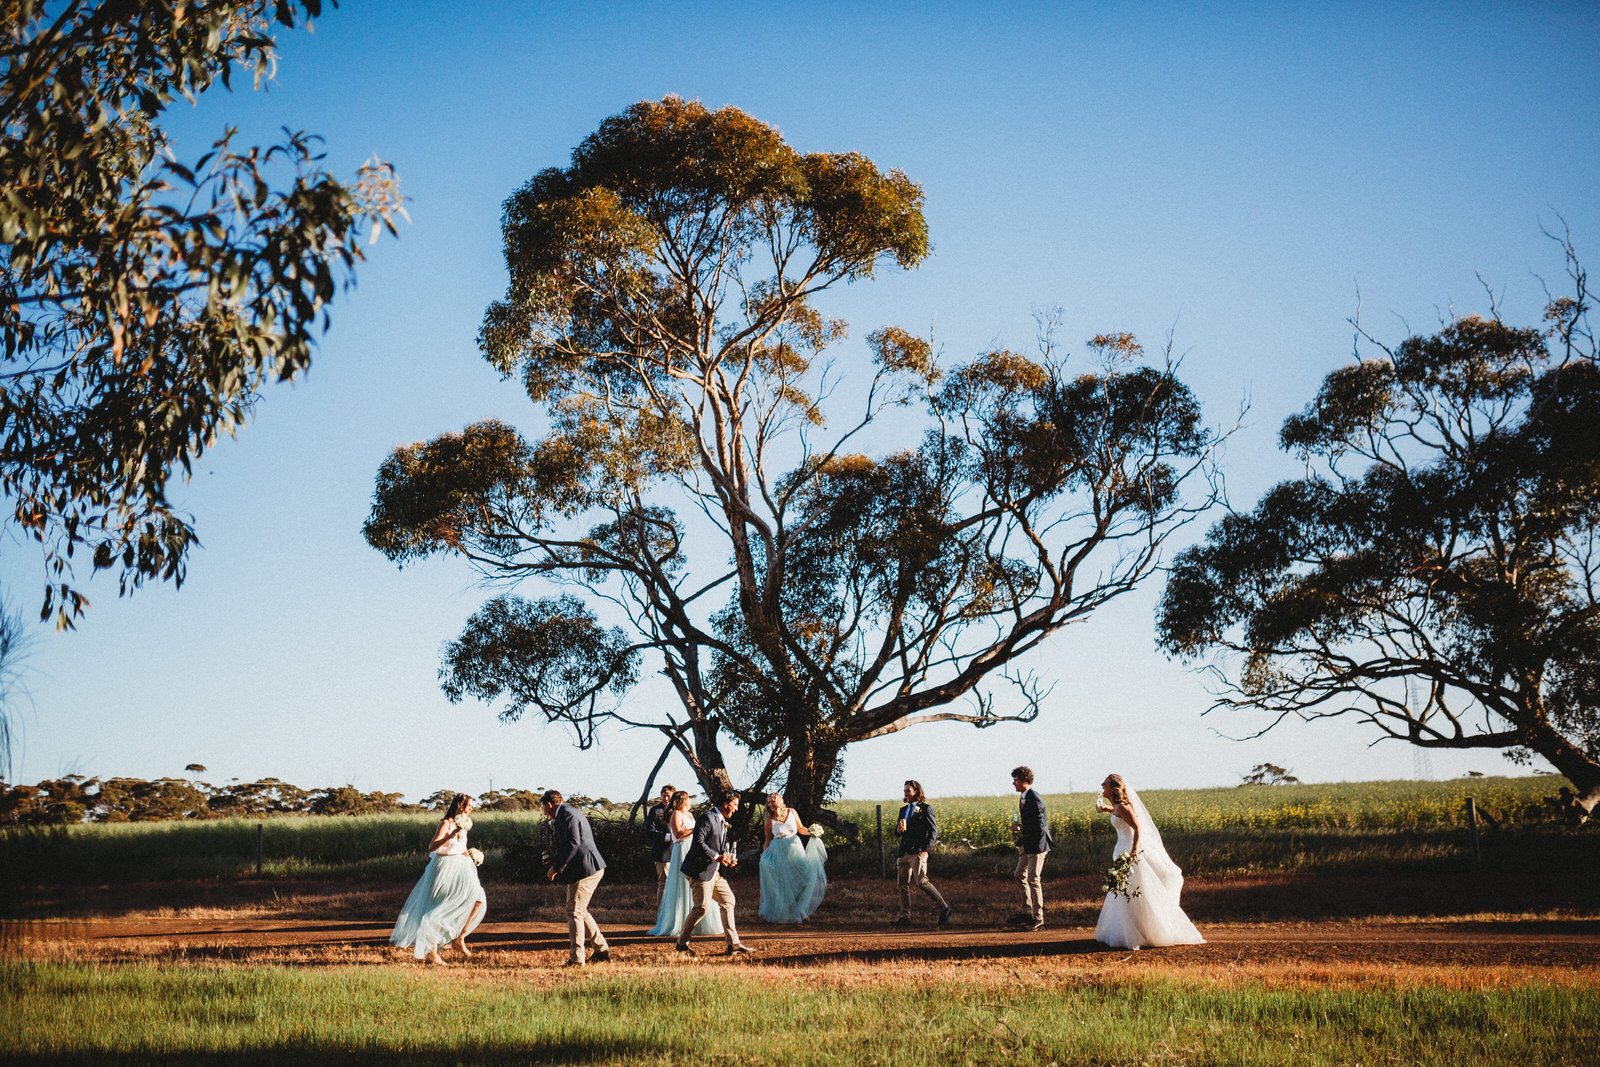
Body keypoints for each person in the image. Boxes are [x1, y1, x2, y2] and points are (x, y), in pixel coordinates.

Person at [1093, 773, 1205, 950]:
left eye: (1105, 783)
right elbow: (1118, 815)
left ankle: (1145, 931)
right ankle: (1130, 930)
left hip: (1129, 851)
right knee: (1124, 892)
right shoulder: (1117, 806)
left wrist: (1135, 850)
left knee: (1136, 890)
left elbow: (1138, 827)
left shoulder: (1123, 806)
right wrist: (1106, 809)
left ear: (1113, 788)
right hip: (1121, 849)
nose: (1102, 785)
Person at [390, 793, 487, 965]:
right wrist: (449, 836)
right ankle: (431, 952)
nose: (471, 809)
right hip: (444, 868)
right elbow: (432, 846)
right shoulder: (446, 823)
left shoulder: (463, 825)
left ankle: (459, 937)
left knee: (478, 899)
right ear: (460, 806)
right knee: (440, 906)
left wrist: (472, 855)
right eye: (469, 806)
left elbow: (461, 847)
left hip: (462, 867)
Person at [676, 788, 753, 957]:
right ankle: (681, 944)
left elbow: (719, 845)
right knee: (701, 908)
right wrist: (716, 856)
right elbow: (698, 841)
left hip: (713, 871)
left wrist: (727, 858)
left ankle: (734, 944)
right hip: (699, 871)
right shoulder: (707, 817)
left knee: (728, 900)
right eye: (735, 805)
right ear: (726, 804)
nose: (737, 809)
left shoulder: (721, 819)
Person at [539, 789, 612, 967]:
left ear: (549, 804)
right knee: (580, 910)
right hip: (584, 868)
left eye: (542, 807)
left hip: (586, 869)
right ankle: (601, 950)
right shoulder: (566, 813)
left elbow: (574, 843)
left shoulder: (567, 815)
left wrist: (556, 867)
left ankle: (577, 959)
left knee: (573, 911)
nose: (542, 811)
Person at [647, 790, 724, 938]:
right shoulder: (676, 814)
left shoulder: (689, 815)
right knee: (681, 885)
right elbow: (678, 834)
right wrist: (695, 829)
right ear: (683, 801)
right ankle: (679, 922)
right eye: (688, 800)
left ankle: (697, 922)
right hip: (681, 849)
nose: (690, 802)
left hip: (692, 848)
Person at [757, 792, 827, 923]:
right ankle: (786, 913)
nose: (771, 804)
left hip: (795, 848)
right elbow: (767, 841)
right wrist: (764, 856)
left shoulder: (791, 812)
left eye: (773, 801)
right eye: (769, 802)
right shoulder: (769, 821)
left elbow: (800, 829)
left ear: (780, 801)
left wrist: (812, 832)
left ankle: (801, 909)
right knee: (784, 883)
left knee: (805, 878)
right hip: (778, 851)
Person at [892, 779, 951, 927]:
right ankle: (905, 917)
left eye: (908, 791)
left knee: (922, 882)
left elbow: (933, 831)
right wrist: (898, 830)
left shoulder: (926, 808)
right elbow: (898, 832)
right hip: (903, 851)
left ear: (916, 792)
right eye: (904, 791)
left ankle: (944, 908)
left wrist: (925, 849)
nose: (906, 794)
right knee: (902, 884)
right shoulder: (903, 810)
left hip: (917, 851)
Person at [1007, 765, 1053, 931]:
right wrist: (1020, 829)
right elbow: (1031, 823)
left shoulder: (1035, 798)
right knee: (1019, 874)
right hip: (1027, 844)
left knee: (1033, 879)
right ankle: (1026, 911)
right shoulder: (1024, 797)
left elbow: (1040, 826)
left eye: (1016, 780)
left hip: (1036, 846)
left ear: (1025, 780)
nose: (1014, 783)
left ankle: (1038, 918)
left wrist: (1033, 848)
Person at [644, 783, 676, 905]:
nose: (666, 799)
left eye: (668, 796)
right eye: (664, 796)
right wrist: (668, 837)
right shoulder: (655, 811)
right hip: (662, 853)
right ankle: (662, 912)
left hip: (678, 852)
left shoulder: (678, 811)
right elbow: (649, 831)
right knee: (664, 883)